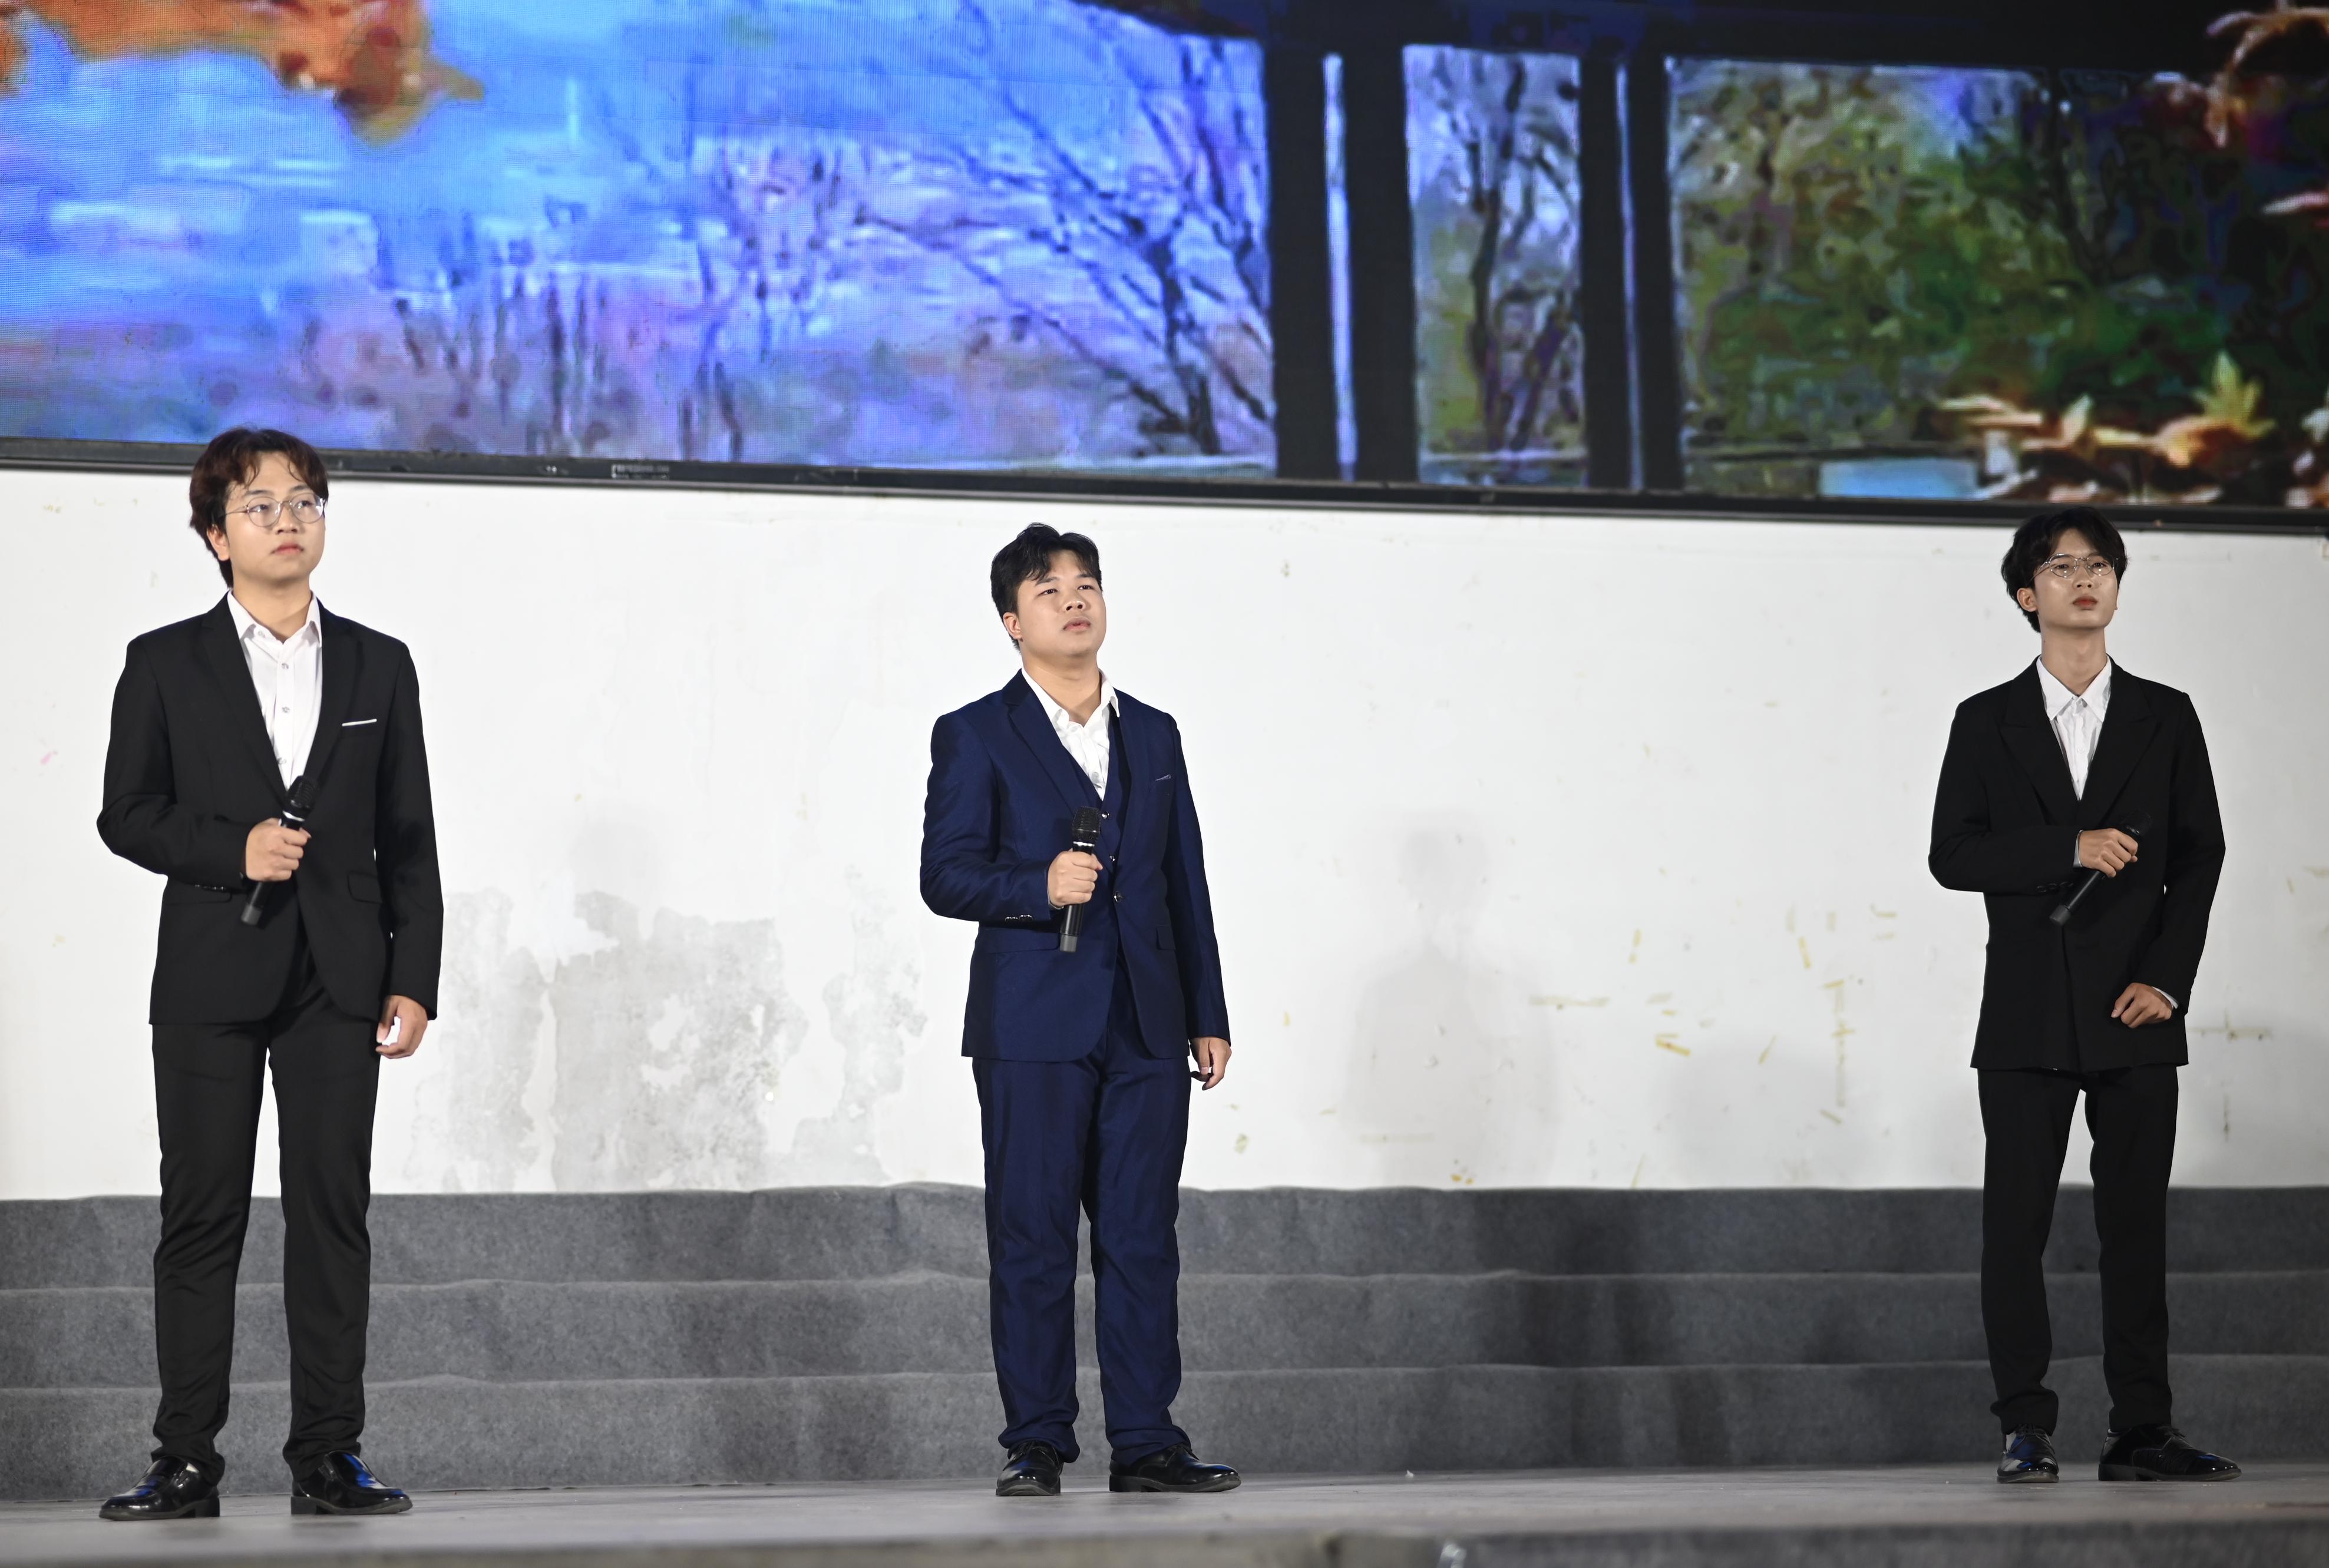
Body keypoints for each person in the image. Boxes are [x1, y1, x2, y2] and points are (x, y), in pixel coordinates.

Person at [94, 428, 441, 1520]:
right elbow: (126, 813)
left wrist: (415, 975)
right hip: (210, 974)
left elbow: (410, 836)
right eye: (259, 505)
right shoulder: (164, 661)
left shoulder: (380, 662)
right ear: (215, 534)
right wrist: (230, 848)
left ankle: (329, 1453)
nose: (287, 520)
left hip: (341, 977)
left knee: (333, 1215)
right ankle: (185, 1456)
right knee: (201, 1218)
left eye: (305, 501)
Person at [919, 524, 1240, 1498]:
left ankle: (1145, 1440)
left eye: (1086, 584)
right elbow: (944, 874)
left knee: (1142, 1234)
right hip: (1031, 1023)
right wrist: (1036, 883)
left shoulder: (1154, 732)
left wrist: (1206, 1011)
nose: (1073, 599)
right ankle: (1036, 1441)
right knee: (1032, 1235)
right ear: (1011, 622)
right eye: (1048, 588)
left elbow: (1183, 879)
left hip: (1146, 1019)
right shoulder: (975, 732)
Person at [1928, 505, 2235, 1486]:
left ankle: (2141, 1429)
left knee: (2133, 1228)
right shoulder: (1985, 719)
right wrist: (2065, 846)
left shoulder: (2165, 714)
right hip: (2024, 1011)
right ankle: (2024, 1424)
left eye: (2099, 564)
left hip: (2134, 1007)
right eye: (2061, 566)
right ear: (2027, 594)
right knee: (2013, 1226)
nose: (2084, 579)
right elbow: (1952, 854)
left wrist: (2167, 979)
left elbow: (2199, 856)